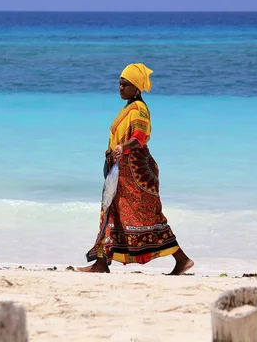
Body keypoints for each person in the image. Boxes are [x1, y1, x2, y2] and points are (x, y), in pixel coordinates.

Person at [77, 63, 194, 275]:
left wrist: (123, 147)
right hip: (120, 169)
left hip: (136, 171)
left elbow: (139, 137)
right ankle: (101, 263)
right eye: (120, 83)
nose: (120, 87)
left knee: (148, 217)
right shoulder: (127, 108)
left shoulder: (139, 109)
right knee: (111, 212)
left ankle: (182, 260)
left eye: (126, 84)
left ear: (137, 88)